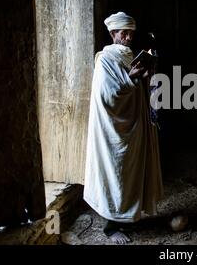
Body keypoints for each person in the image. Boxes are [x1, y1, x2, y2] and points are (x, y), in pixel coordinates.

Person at [83, 12, 163, 244]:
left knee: (131, 172)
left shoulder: (129, 55)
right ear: (112, 34)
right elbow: (106, 95)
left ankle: (128, 217)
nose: (128, 37)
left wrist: (147, 74)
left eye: (131, 33)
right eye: (123, 33)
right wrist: (131, 78)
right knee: (116, 171)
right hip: (114, 128)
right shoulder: (105, 60)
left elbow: (139, 86)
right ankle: (110, 227)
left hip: (135, 123)